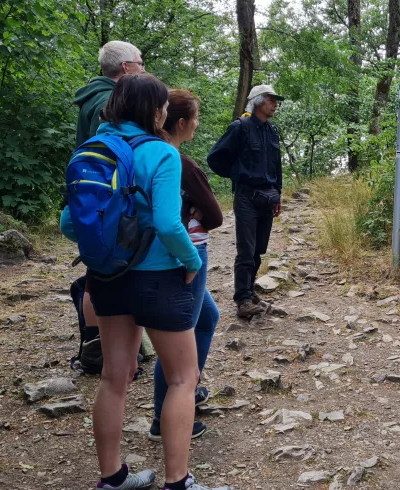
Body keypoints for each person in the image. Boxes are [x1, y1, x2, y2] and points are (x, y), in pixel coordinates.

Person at [60, 73, 229, 490]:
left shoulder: (91, 150)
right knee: (182, 379)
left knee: (114, 378)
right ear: (156, 111)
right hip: (159, 281)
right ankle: (178, 482)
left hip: (107, 278)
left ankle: (113, 479)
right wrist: (190, 261)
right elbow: (171, 225)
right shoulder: (162, 154)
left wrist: (112, 245)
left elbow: (68, 224)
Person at [149, 89, 224, 442]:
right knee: (179, 341)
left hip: (166, 255)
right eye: (194, 118)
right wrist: (195, 212)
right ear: (180, 123)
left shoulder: (146, 153)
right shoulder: (182, 163)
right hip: (188, 256)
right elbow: (215, 215)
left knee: (207, 318)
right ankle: (166, 414)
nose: (197, 124)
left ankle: (184, 393)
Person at [72, 40, 146, 364]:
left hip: (89, 198)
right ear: (127, 68)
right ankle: (103, 346)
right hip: (111, 201)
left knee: (96, 271)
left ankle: (97, 342)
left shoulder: (92, 96)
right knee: (108, 274)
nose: (144, 68)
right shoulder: (112, 100)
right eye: (141, 63)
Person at [207, 84, 284, 319]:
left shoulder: (271, 131)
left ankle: (250, 291)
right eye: (271, 100)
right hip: (246, 197)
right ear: (258, 101)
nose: (275, 104)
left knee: (259, 248)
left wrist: (278, 194)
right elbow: (215, 158)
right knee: (246, 250)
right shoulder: (240, 127)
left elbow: (276, 166)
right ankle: (242, 300)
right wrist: (238, 174)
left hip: (268, 197)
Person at [74, 40, 145, 146]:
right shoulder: (111, 101)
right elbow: (101, 150)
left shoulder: (96, 94)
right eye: (140, 64)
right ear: (125, 67)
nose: (143, 70)